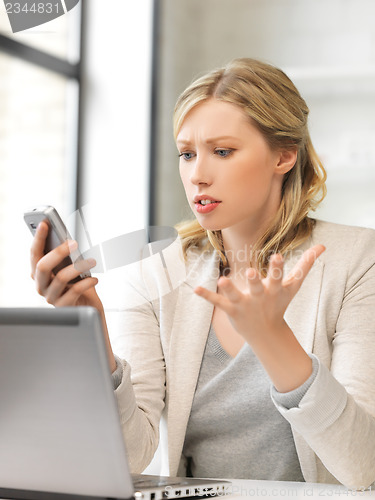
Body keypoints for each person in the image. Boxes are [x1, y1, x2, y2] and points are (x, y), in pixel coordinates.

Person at [30, 58, 375, 490]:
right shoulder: (159, 273)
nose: (197, 175)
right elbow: (129, 455)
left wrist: (272, 338)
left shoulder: (359, 260)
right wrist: (90, 324)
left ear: (284, 155)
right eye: (187, 154)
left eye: (223, 152)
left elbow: (362, 465)